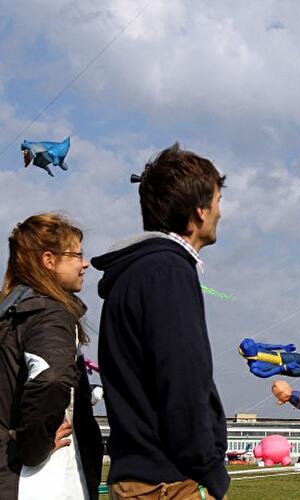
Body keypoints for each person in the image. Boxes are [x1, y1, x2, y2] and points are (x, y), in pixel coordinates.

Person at [92, 144, 229, 499]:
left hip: (143, 476)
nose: (221, 213)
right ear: (199, 211)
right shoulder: (167, 271)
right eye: (217, 201)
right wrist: (211, 473)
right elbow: (183, 381)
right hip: (168, 481)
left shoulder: (140, 271)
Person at [0, 213, 103, 498]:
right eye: (77, 255)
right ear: (48, 260)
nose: (85, 264)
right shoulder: (49, 313)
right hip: (41, 479)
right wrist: (35, 445)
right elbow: (52, 377)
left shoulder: (10, 311)